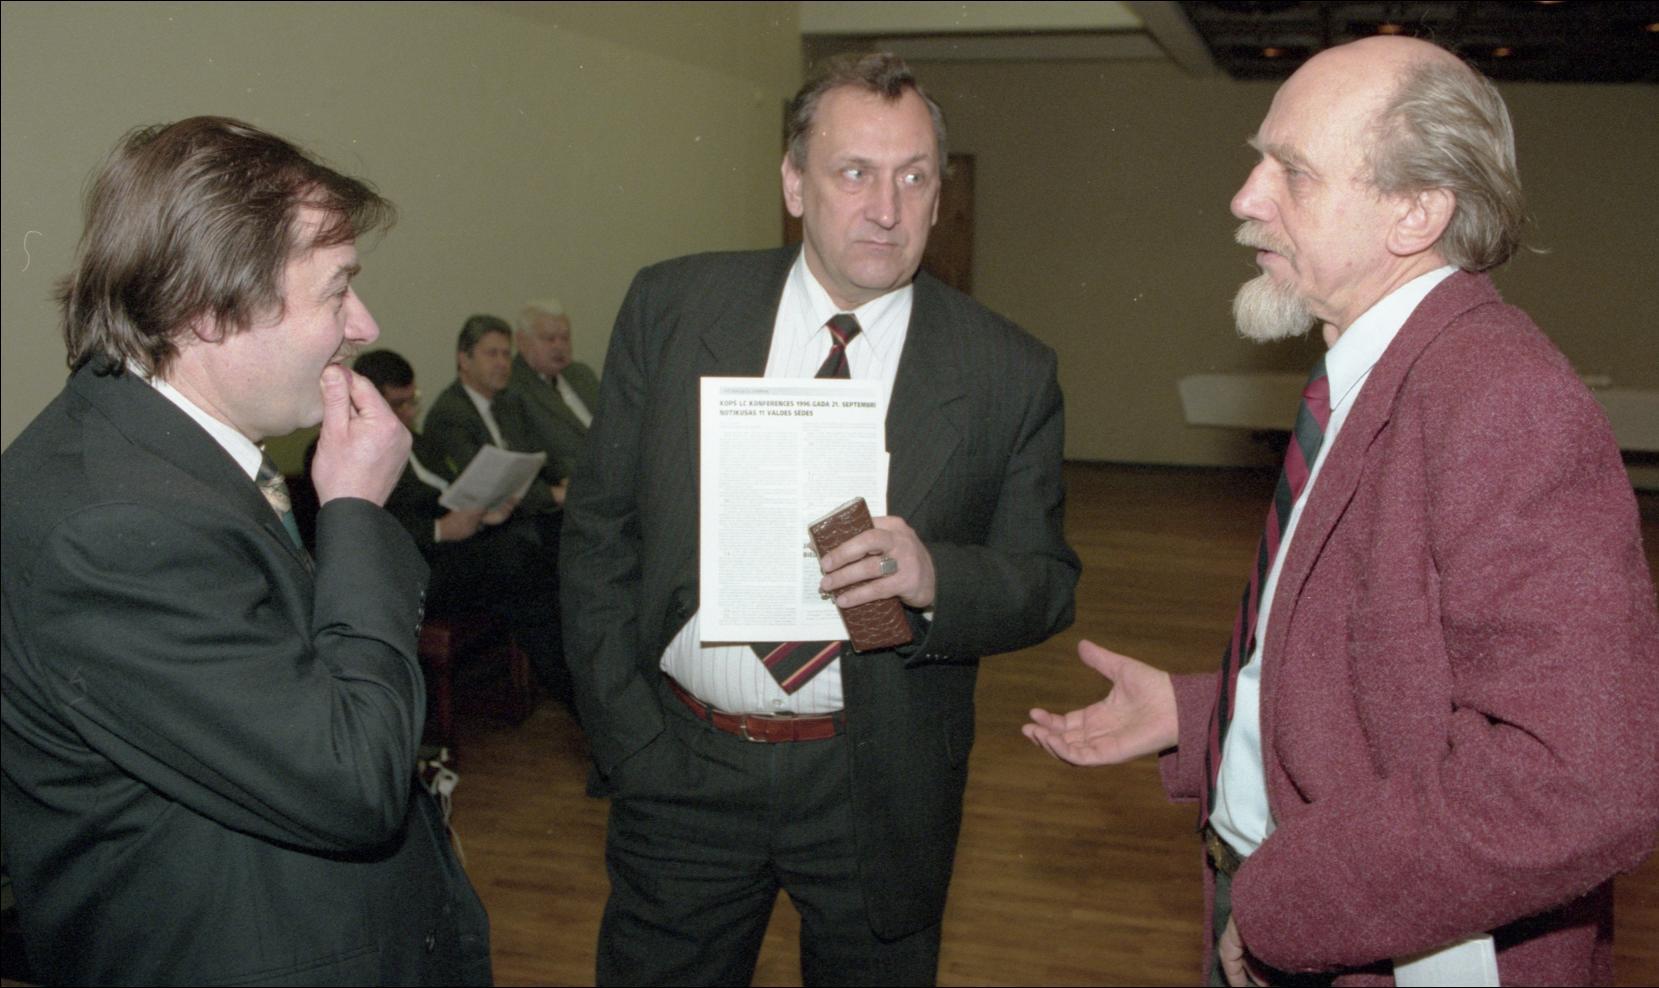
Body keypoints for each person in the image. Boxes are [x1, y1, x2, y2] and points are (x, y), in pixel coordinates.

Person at [1024, 36, 1658, 986]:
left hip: (1362, 936)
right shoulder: (1383, 371)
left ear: (1415, 211)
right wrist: (1203, 714)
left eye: (1292, 171)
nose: (1245, 197)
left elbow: (1579, 780)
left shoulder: (1501, 398)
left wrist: (1284, 907)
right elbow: (1388, 670)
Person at [561, 52, 1079, 986]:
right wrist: (631, 741)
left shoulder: (1007, 370)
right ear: (794, 184)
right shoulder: (674, 308)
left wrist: (936, 578)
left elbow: (1044, 582)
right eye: (854, 173)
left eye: (913, 177)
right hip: (682, 767)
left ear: (938, 196)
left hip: (875, 785)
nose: (886, 207)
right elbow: (598, 534)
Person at [0, 116, 491, 985]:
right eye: (337, 291)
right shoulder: (112, 528)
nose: (364, 323)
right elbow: (352, 779)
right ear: (208, 308)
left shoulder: (166, 452)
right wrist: (355, 510)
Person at [353, 347, 566, 704]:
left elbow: (450, 496)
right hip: (414, 571)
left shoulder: (420, 444)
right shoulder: (353, 455)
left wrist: (485, 513)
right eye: (397, 405)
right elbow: (367, 530)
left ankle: (569, 676)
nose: (408, 413)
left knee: (544, 539)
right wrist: (441, 530)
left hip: (458, 552)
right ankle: (572, 680)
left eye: (412, 401)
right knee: (518, 563)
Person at [508, 297, 600, 501]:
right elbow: (531, 457)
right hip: (573, 492)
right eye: (549, 339)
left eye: (565, 338)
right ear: (521, 341)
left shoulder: (582, 375)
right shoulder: (512, 389)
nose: (559, 346)